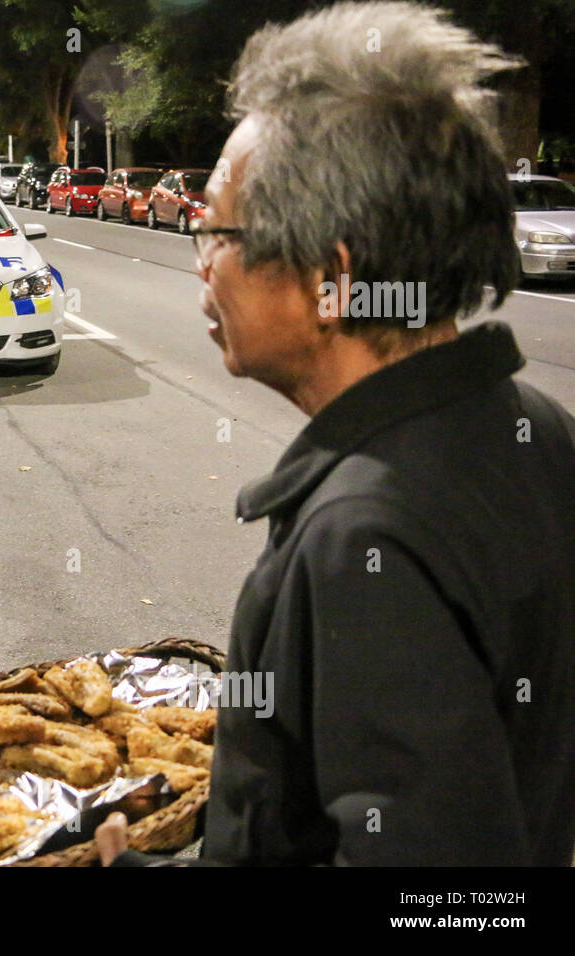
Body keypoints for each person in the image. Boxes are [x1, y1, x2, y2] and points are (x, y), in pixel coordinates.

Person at [99, 1, 575, 866]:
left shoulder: (367, 535)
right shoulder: (533, 427)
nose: (199, 260)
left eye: (219, 231)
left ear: (332, 276)